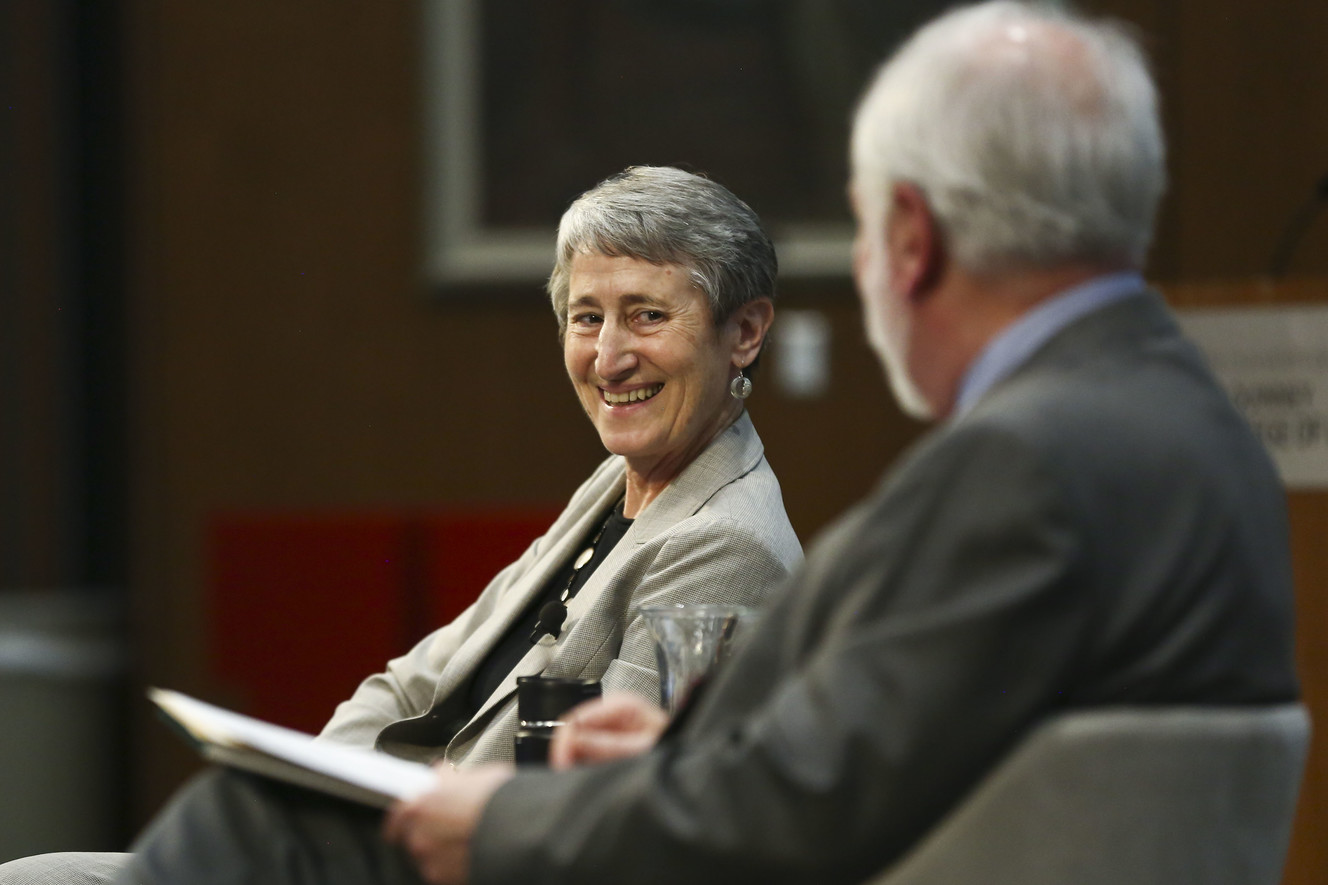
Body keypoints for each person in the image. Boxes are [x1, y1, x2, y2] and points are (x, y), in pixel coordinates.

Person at [95, 2, 1299, 883]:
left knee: (250, 831)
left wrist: (503, 824)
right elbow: (896, 741)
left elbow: (805, 808)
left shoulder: (1025, 466)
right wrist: (688, 741)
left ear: (909, 239)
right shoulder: (1190, 430)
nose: (609, 352)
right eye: (584, 316)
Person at [0, 166, 801, 883]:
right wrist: (326, 795)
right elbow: (410, 682)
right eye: (587, 317)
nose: (609, 356)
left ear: (745, 331)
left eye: (647, 315)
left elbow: (596, 807)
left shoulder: (724, 541)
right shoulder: (616, 487)